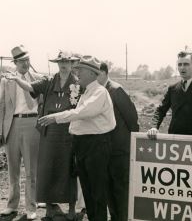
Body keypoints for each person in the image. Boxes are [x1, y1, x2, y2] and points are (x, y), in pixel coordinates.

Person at [38, 55, 116, 221]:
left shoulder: (99, 93)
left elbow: (81, 113)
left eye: (80, 70)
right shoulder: (87, 92)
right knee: (88, 191)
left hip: (96, 145)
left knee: (97, 192)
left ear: (91, 73)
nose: (77, 73)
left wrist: (55, 117)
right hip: (84, 145)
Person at [4, 51, 80, 220]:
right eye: (61, 61)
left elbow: (79, 109)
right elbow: (31, 87)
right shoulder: (49, 80)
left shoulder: (77, 84)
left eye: (67, 61)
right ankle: (51, 208)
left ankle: (72, 208)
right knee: (48, 169)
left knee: (68, 169)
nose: (64, 64)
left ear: (72, 64)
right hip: (48, 130)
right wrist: (17, 80)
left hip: (67, 132)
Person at [0, 45, 42, 219]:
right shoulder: (6, 81)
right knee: (13, 169)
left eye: (27, 60)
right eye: (22, 61)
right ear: (15, 63)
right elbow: (1, 106)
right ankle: (12, 205)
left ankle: (31, 207)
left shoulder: (38, 79)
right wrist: (1, 130)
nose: (25, 63)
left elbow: (42, 104)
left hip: (32, 124)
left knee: (31, 169)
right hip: (12, 125)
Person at [97, 63, 139, 221]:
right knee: (108, 189)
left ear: (105, 73)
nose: (96, 77)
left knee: (121, 190)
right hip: (105, 150)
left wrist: (130, 144)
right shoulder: (96, 92)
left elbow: (132, 119)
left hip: (120, 150)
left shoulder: (116, 90)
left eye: (98, 74)